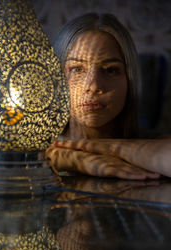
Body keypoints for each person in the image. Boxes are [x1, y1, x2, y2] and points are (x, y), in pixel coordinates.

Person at [45, 13, 171, 180]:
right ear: (56, 77)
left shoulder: (155, 143)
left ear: (129, 80)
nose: (94, 86)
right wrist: (72, 159)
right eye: (77, 69)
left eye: (110, 70)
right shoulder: (29, 146)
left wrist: (107, 148)